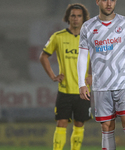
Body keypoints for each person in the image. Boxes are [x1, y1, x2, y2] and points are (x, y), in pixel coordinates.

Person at [77, 0, 125, 150]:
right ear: (97, 1)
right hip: (101, 85)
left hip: (124, 82)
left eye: (112, 0)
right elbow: (82, 56)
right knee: (107, 126)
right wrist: (81, 84)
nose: (109, 3)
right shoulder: (88, 27)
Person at [39, 3, 92, 150]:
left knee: (79, 124)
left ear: (83, 18)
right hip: (65, 90)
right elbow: (43, 56)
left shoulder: (89, 38)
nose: (76, 19)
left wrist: (94, 76)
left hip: (83, 92)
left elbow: (101, 59)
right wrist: (53, 76)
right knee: (61, 123)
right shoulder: (58, 37)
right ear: (68, 18)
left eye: (79, 16)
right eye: (73, 16)